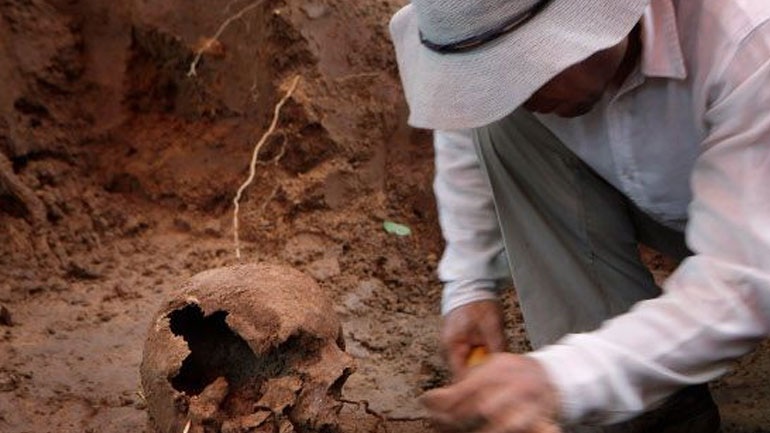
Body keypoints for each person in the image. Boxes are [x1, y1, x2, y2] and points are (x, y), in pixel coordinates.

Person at [388, 0, 770, 432]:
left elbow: (743, 278)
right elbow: (468, 120)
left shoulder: (750, 39)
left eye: (528, 69)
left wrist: (560, 379)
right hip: (688, 212)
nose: (520, 97)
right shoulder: (514, 73)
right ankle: (647, 414)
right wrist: (469, 287)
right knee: (501, 122)